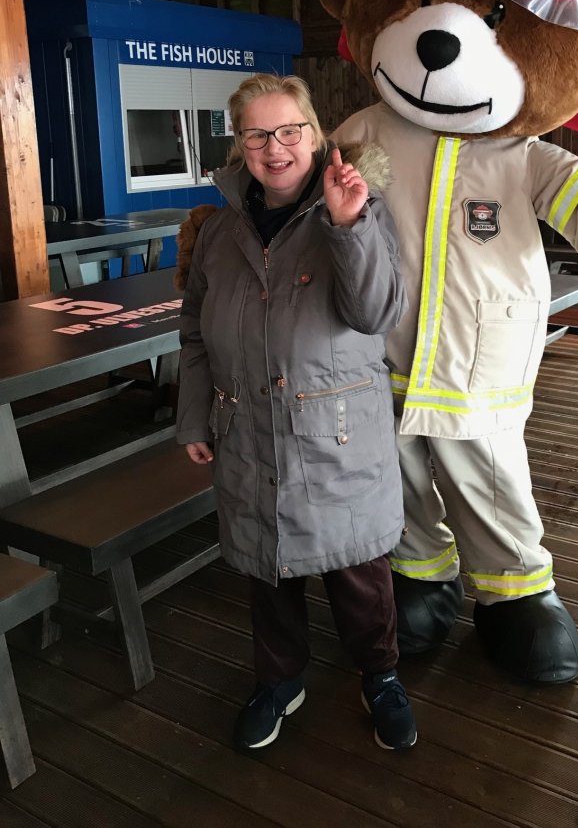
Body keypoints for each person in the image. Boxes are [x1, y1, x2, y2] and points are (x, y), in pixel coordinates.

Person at [175, 72, 416, 752]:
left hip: (336, 433)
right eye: (257, 134)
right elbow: (194, 329)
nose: (274, 147)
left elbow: (375, 313)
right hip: (247, 426)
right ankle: (279, 680)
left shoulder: (360, 209)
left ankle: (381, 674)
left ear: (314, 135)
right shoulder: (219, 231)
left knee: (358, 570)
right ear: (239, 143)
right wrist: (194, 418)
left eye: (289, 131)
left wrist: (347, 226)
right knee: (266, 565)